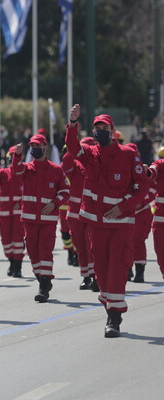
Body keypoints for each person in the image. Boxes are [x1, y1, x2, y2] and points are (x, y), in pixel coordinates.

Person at [67, 104, 148, 338]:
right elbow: (73, 148)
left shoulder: (129, 154)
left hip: (122, 224)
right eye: (97, 128)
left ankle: (114, 318)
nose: (100, 131)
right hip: (97, 222)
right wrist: (73, 123)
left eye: (104, 127)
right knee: (101, 271)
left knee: (117, 268)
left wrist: (122, 207)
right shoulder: (90, 154)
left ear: (112, 130)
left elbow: (141, 188)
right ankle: (109, 305)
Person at [12, 135, 69, 303]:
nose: (35, 148)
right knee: (32, 252)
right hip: (29, 220)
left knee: (45, 251)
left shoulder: (56, 170)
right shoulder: (27, 168)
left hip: (48, 220)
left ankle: (44, 286)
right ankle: (42, 278)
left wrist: (54, 203)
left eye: (38, 145)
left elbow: (65, 192)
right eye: (32, 145)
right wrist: (17, 155)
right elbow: (16, 170)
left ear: (45, 147)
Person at [62, 137, 98, 291]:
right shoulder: (74, 163)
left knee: (93, 246)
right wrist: (72, 148)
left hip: (92, 212)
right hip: (75, 213)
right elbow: (65, 167)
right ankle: (86, 277)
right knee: (80, 247)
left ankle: (96, 276)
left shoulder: (98, 164)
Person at [125, 143, 156, 283]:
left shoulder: (144, 169)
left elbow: (152, 190)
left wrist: (140, 201)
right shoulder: (121, 168)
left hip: (142, 211)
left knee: (138, 241)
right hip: (127, 210)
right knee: (125, 241)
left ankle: (139, 272)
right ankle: (127, 269)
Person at [0, 146, 24, 277]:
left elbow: (30, 190)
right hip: (4, 212)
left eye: (14, 156)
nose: (12, 159)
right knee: (6, 240)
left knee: (18, 240)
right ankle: (11, 262)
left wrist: (21, 203)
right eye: (10, 156)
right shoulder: (3, 172)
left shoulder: (23, 172)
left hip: (18, 213)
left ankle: (17, 267)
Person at [146, 148, 164, 281]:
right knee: (160, 249)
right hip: (161, 217)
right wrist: (146, 171)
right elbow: (152, 170)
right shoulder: (160, 164)